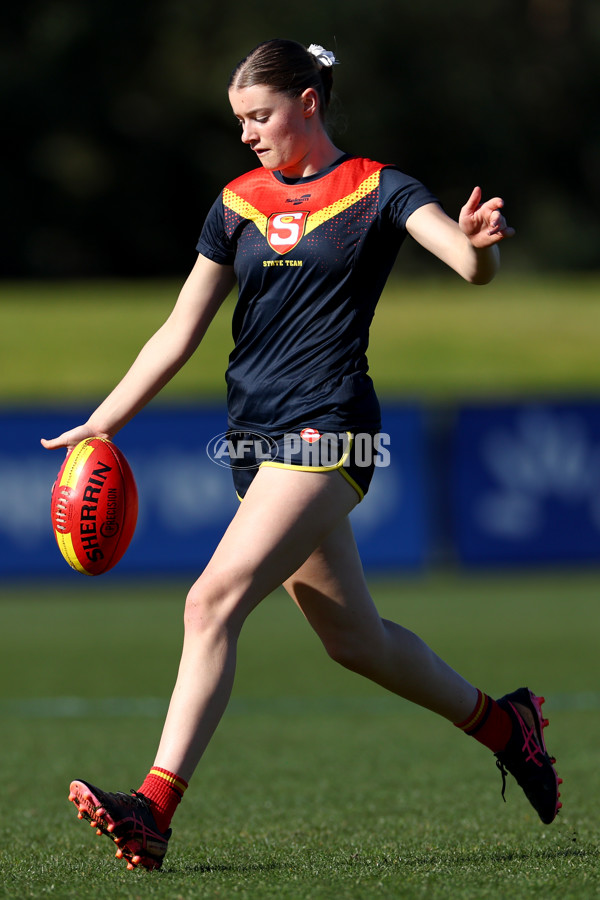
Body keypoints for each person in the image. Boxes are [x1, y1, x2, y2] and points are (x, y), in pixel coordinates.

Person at [41, 39, 561, 872]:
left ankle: (153, 808)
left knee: (210, 602)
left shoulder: (380, 189)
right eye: (239, 120)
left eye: (260, 115)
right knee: (355, 640)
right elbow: (181, 329)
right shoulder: (235, 203)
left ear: (308, 103)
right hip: (255, 442)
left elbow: (469, 265)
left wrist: (483, 243)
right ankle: (508, 727)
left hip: (332, 429)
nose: (247, 134)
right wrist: (103, 422)